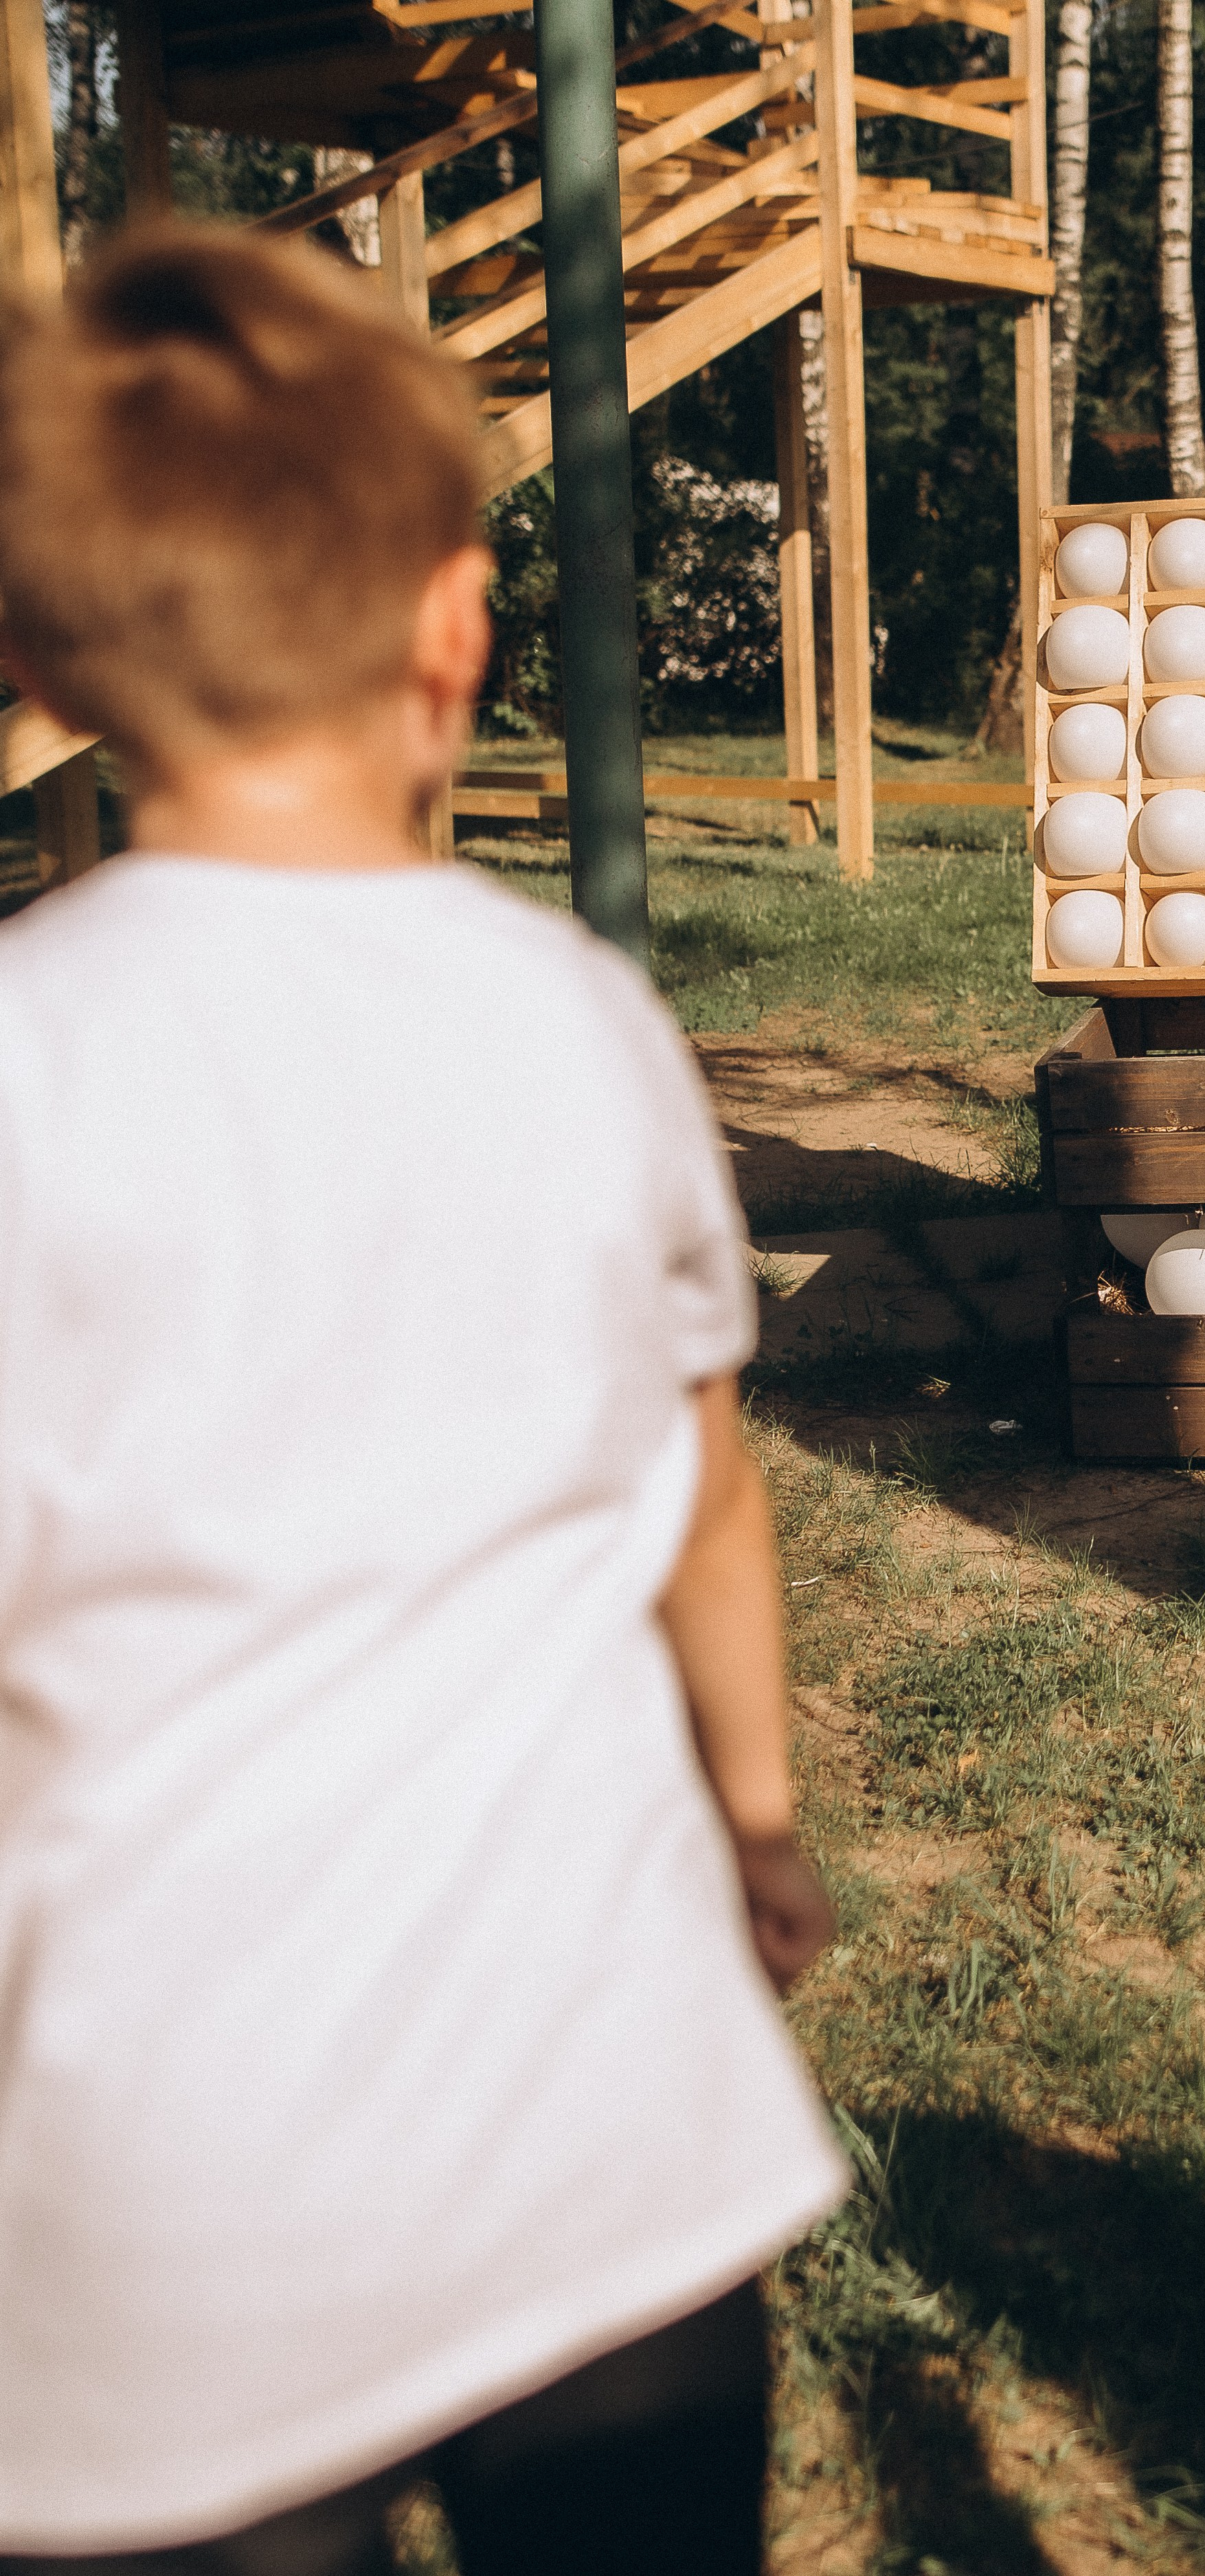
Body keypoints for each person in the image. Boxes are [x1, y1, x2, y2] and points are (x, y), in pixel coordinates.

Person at [0, 225, 845, 2576]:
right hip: (616, 2167)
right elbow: (699, 1489)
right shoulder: (579, 1021)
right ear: (454, 621)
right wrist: (755, 1815)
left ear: (37, 655)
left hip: (175, 2243)